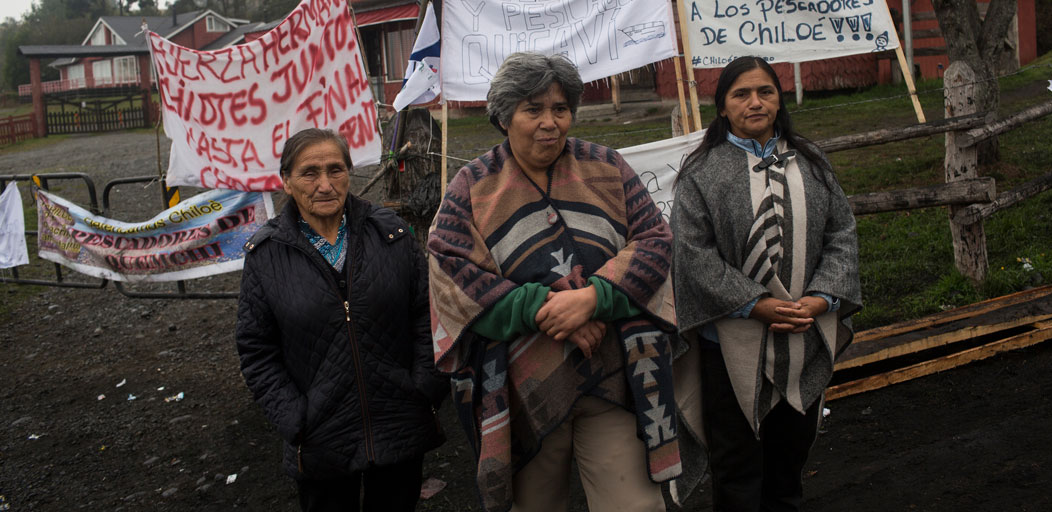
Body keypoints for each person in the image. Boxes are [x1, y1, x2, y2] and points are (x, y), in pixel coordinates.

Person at [426, 52, 683, 512]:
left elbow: (655, 241)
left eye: (560, 109)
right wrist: (545, 310)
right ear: (504, 117)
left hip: (614, 377)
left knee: (636, 506)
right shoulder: (472, 187)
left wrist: (594, 299)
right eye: (533, 110)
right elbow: (452, 274)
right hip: (526, 392)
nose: (550, 123)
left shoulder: (605, 168)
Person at [670, 56, 861, 512]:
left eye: (765, 92)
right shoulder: (702, 173)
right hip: (731, 348)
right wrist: (754, 304)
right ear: (722, 107)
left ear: (779, 99)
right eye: (741, 94)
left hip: (802, 337)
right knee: (737, 473)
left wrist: (820, 299)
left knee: (787, 469)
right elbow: (693, 255)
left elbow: (842, 233)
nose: (755, 102)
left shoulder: (811, 163)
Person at [236, 128, 446, 512]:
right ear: (286, 181)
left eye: (336, 170)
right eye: (309, 173)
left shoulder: (391, 235)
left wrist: (425, 386)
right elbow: (256, 349)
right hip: (320, 433)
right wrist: (293, 417)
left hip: (397, 420)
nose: (325, 184)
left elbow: (427, 315)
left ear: (350, 173)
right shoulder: (267, 256)